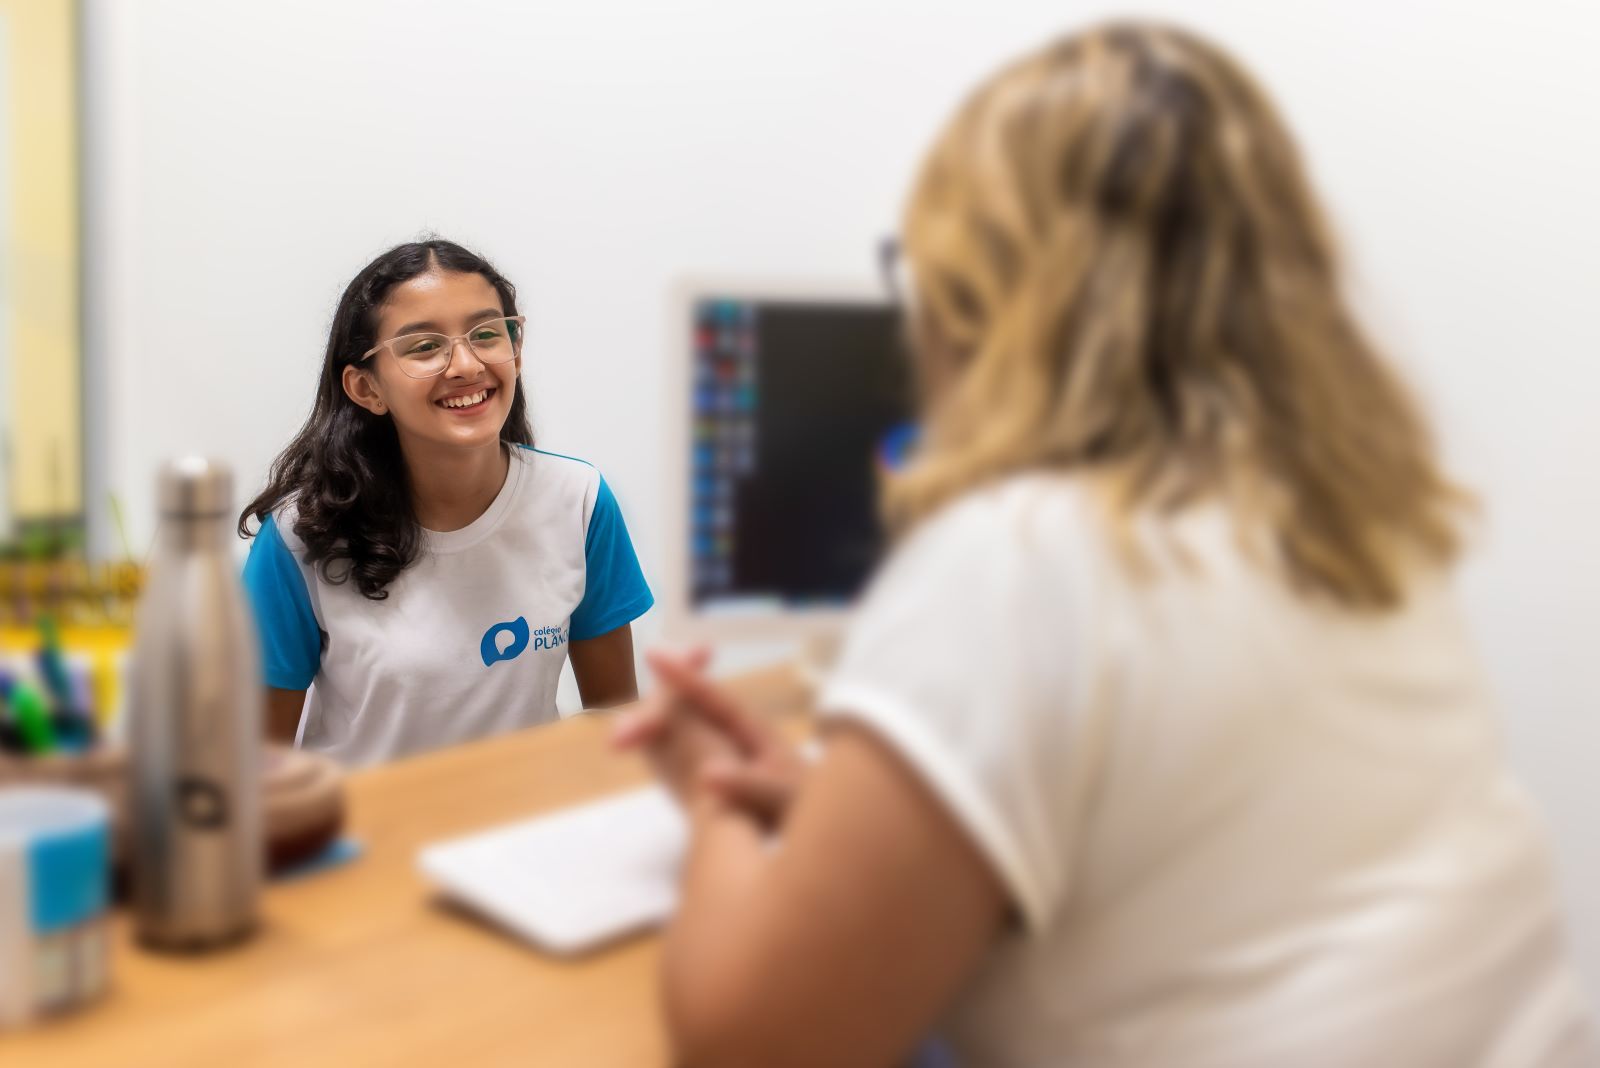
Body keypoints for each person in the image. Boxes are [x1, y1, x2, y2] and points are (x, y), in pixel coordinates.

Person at [614, 22, 1598, 1068]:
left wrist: (716, 797)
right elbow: (1188, 868)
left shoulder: (1018, 558)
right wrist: (840, 816)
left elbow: (747, 1046)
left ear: (985, 296)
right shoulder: (1351, 528)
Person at [241, 239, 652, 765]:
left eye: (486, 334)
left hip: (526, 837)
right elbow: (261, 774)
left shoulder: (579, 502)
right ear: (366, 388)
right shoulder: (300, 536)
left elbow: (616, 727)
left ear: (516, 351)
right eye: (423, 347)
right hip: (366, 840)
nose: (465, 364)